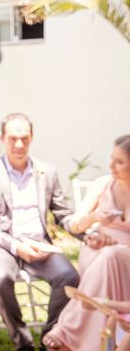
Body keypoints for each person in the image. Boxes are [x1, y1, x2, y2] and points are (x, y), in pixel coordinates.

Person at [0, 112, 80, 351]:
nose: (19, 145)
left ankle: (48, 339)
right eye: (13, 138)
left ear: (32, 137)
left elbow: (63, 214)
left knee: (70, 277)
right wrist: (16, 246)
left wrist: (87, 232)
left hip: (39, 244)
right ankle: (23, 342)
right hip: (3, 245)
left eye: (24, 138)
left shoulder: (47, 171)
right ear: (2, 138)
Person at [42, 135, 130, 351]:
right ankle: (105, 338)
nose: (111, 166)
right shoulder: (103, 185)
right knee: (105, 255)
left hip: (124, 254)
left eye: (119, 162)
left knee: (112, 256)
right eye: (111, 158)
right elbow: (74, 225)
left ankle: (70, 330)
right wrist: (95, 221)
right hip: (97, 250)